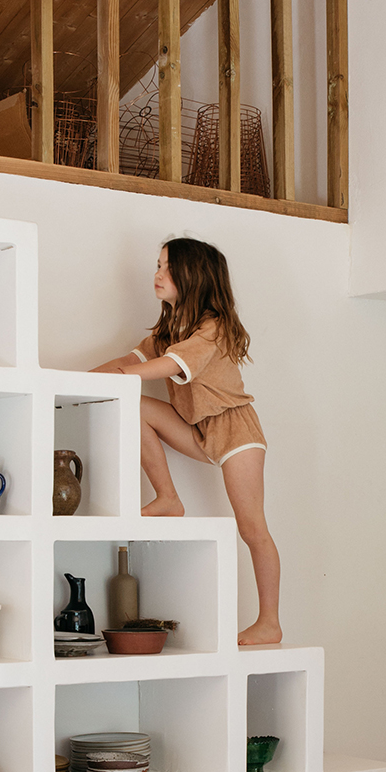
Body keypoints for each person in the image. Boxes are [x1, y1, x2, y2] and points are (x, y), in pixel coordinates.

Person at [91, 238, 281, 647]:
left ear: (193, 276)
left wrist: (123, 377)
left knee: (252, 529)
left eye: (167, 267)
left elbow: (171, 366)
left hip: (235, 431)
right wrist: (76, 378)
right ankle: (168, 499)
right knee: (134, 406)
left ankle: (269, 621)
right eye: (157, 265)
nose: (157, 274)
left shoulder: (213, 327)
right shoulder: (167, 330)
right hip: (197, 429)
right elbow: (131, 362)